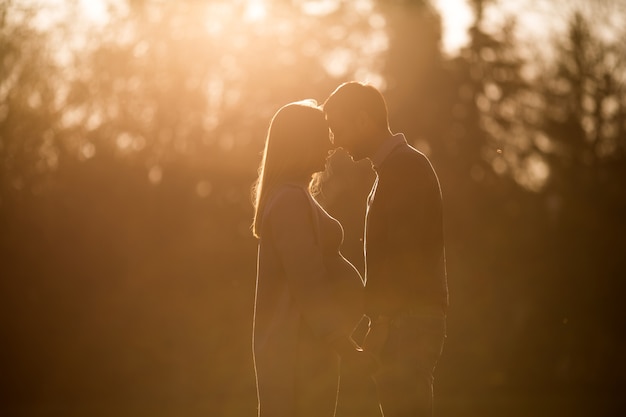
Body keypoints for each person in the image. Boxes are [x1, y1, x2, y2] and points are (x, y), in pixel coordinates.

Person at [323, 82, 449, 417]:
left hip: (407, 322)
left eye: (338, 129)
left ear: (363, 120)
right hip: (405, 319)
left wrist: (383, 322)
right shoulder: (394, 168)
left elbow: (408, 254)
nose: (335, 142)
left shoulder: (404, 168)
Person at [251, 100, 375, 417]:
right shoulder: (289, 200)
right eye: (323, 135)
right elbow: (307, 281)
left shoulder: (296, 194)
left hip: (308, 344)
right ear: (302, 141)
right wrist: (342, 344)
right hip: (296, 348)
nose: (331, 144)